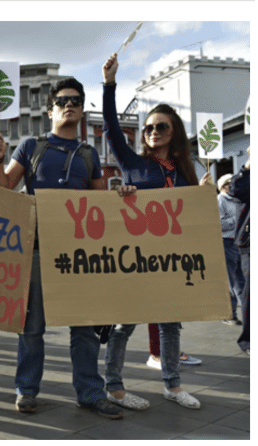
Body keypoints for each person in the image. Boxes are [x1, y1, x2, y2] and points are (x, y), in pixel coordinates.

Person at [0, 76, 118, 418]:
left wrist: (124, 197)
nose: (70, 105)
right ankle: (27, 390)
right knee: (31, 327)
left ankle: (90, 393)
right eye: (62, 100)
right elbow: (3, 190)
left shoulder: (89, 154)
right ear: (50, 110)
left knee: (86, 327)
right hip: (35, 249)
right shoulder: (31, 146)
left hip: (79, 254)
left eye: (76, 100)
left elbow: (102, 206)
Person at [101, 52, 204, 411]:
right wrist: (110, 85)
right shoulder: (135, 164)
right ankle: (114, 387)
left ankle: (172, 386)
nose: (153, 131)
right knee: (124, 325)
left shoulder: (186, 175)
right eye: (148, 127)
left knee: (171, 325)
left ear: (174, 132)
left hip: (172, 261)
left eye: (161, 126)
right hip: (136, 258)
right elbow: (113, 131)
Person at [228, 147, 249, 354]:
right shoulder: (247, 177)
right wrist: (249, 164)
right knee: (247, 290)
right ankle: (248, 339)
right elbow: (236, 189)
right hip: (248, 243)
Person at [217, 173, 245, 325]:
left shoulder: (237, 198)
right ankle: (230, 314)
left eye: (232, 183)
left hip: (239, 240)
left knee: (241, 278)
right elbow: (219, 223)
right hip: (227, 241)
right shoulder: (220, 199)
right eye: (228, 184)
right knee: (234, 279)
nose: (231, 186)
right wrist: (239, 218)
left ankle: (241, 312)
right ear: (222, 186)